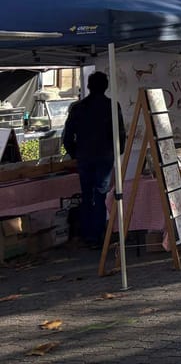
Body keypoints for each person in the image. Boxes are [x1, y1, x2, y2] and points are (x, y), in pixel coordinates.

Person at [62, 71, 125, 248]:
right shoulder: (112, 106)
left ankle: (89, 234)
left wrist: (75, 153)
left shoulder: (78, 108)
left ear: (88, 86)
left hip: (85, 157)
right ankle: (97, 235)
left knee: (87, 195)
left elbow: (67, 136)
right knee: (100, 194)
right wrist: (116, 152)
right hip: (104, 157)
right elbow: (120, 133)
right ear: (106, 86)